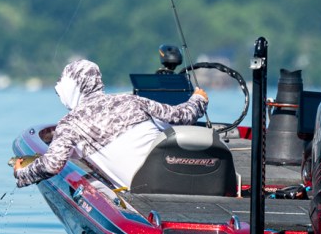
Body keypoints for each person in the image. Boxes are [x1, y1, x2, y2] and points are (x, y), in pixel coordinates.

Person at [13, 59, 209, 189]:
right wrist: (198, 99)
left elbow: (51, 165)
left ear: (70, 89)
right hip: (177, 174)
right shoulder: (132, 100)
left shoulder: (69, 125)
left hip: (143, 187)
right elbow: (183, 116)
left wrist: (22, 173)